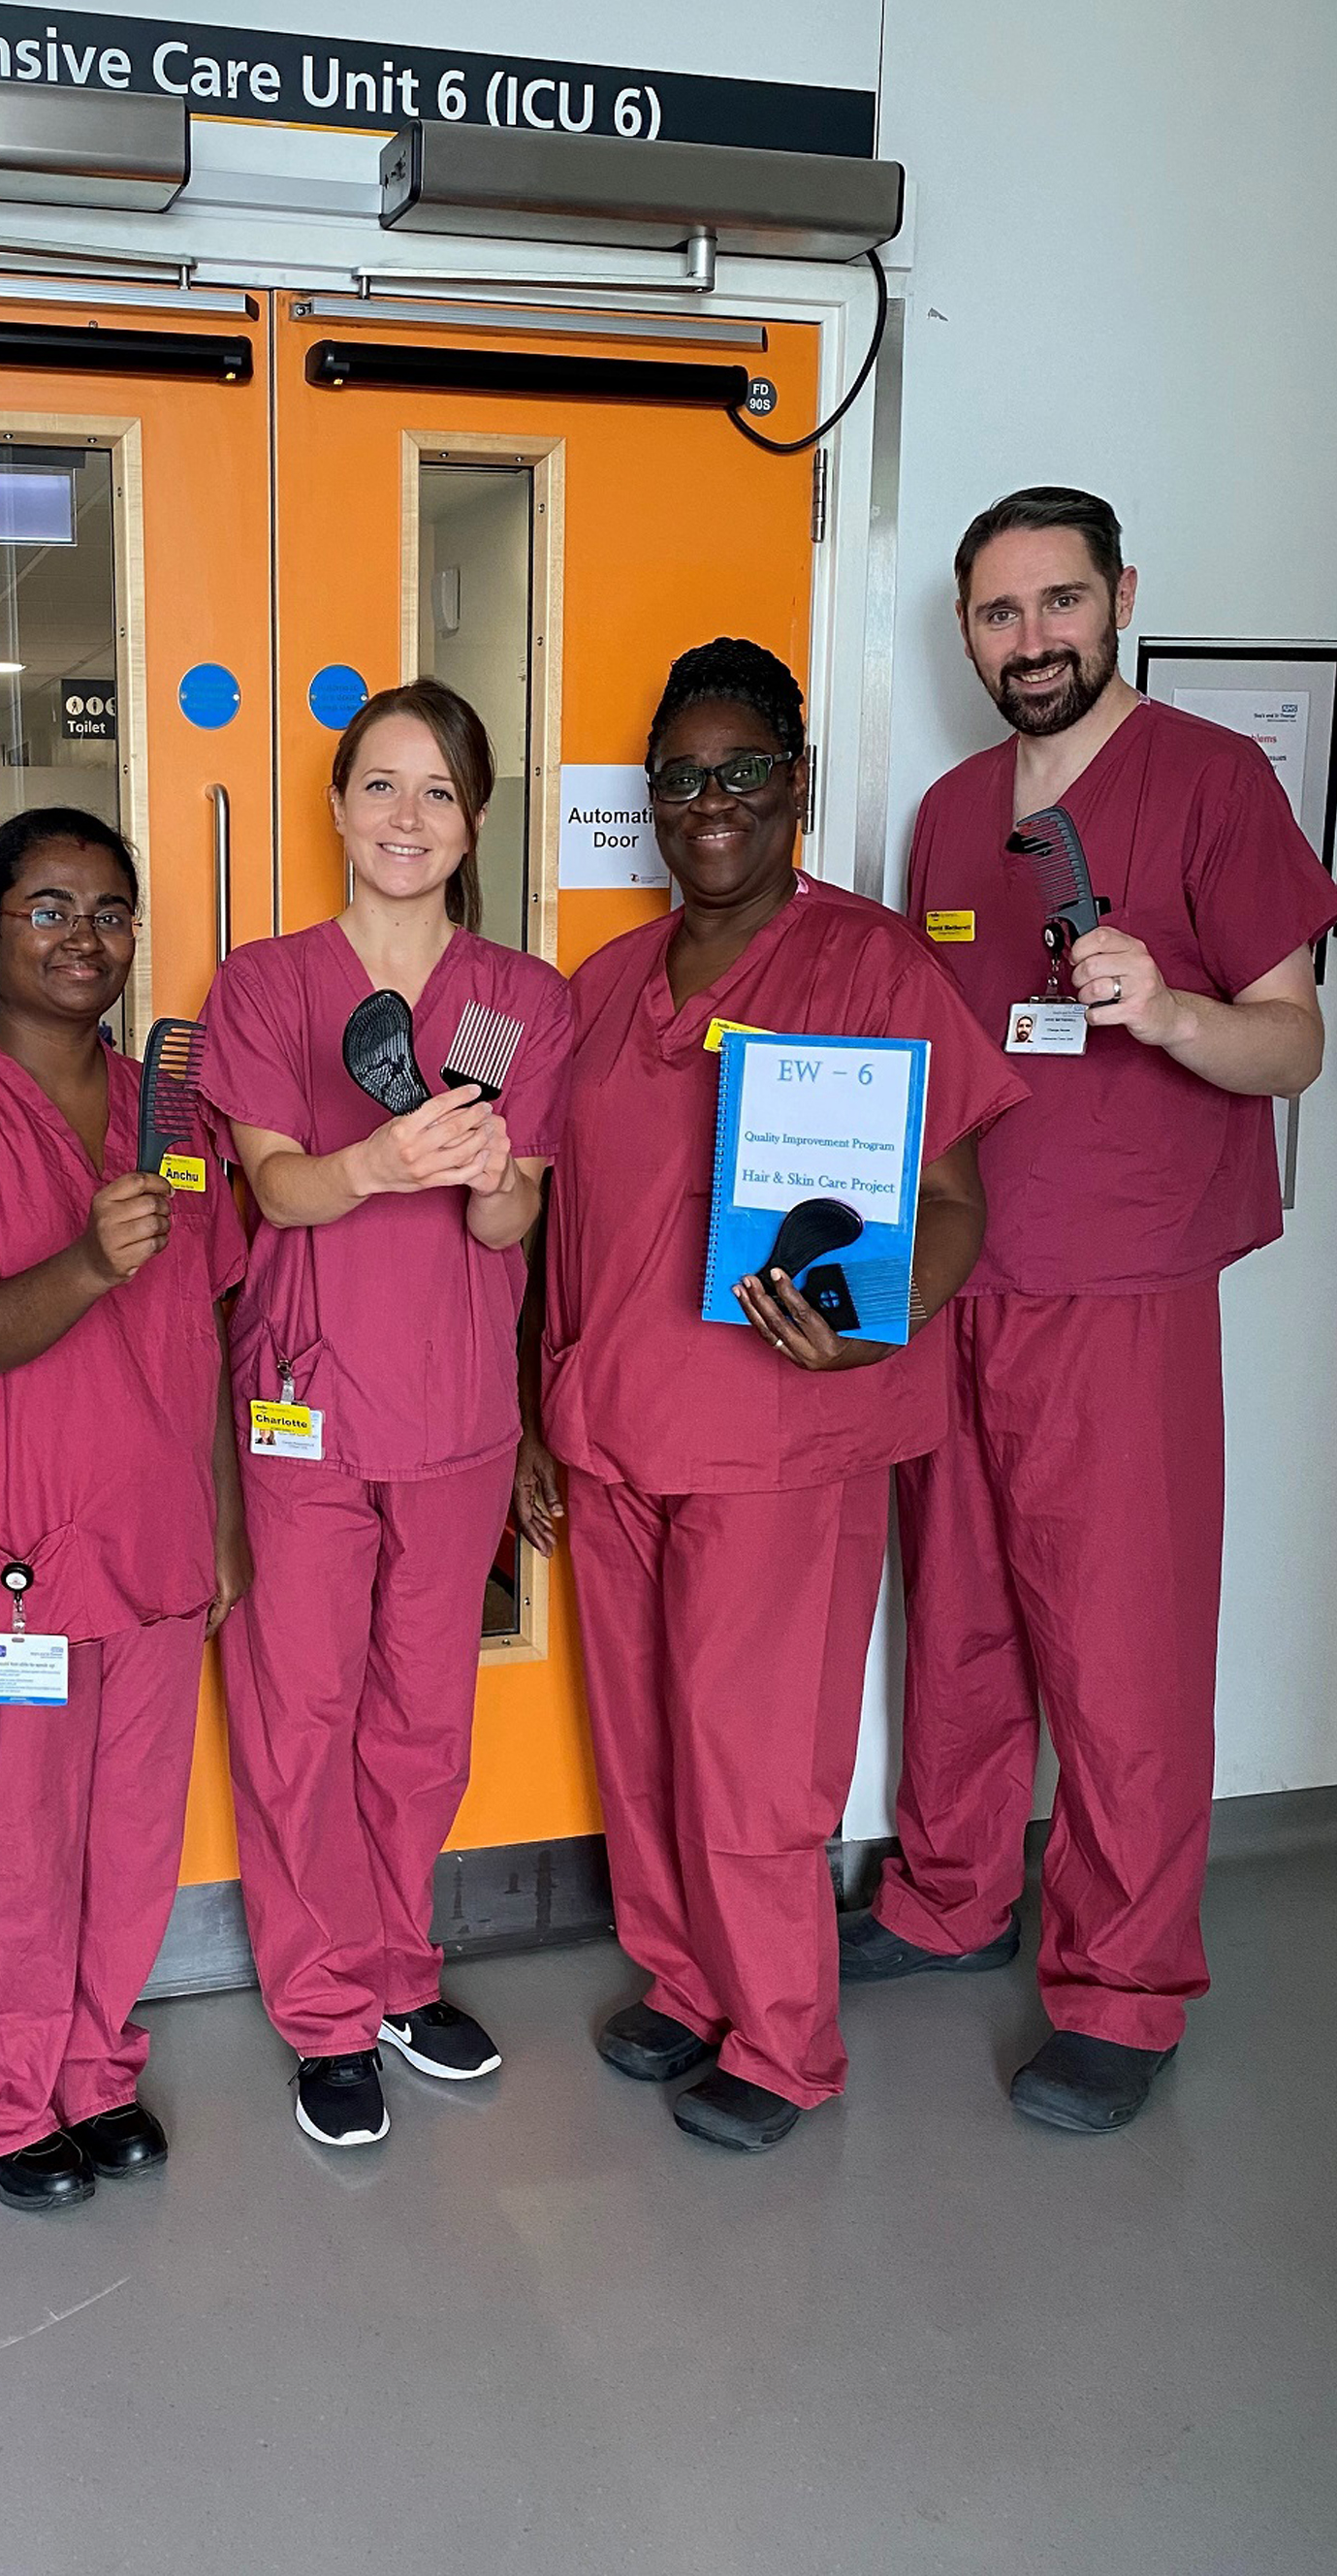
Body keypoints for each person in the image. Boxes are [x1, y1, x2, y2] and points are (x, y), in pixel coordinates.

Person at [839, 489, 1337, 2132]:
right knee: (962, 1614)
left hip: (1120, 1289)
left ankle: (1127, 1985)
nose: (1032, 640)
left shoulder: (1212, 780)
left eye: (1059, 604)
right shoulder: (953, 809)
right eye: (999, 615)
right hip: (958, 1275)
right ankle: (950, 1892)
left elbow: (1295, 1042)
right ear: (969, 634)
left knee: (1121, 1644)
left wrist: (1174, 1007)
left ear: (1120, 595)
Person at [515, 638, 1026, 2153]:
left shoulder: (868, 965)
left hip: (783, 1438)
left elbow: (953, 1199)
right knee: (647, 1744)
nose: (710, 801)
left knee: (752, 1756)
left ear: (792, 785)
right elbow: (561, 1223)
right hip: (614, 1434)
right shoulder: (600, 991)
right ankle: (683, 1981)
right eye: (682, 776)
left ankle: (784, 2040)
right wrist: (545, 1414)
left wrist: (880, 1322)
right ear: (653, 800)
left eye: (741, 771)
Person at [0, 810, 250, 2212]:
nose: (88, 938)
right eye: (51, 909)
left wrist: (224, 1525)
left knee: (130, 1834)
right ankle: (3, 2097)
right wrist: (85, 1262)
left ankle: (93, 2069)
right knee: (9, 1836)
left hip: (149, 1544)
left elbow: (199, 1321)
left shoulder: (170, 1108)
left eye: (113, 911)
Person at [200, 680, 571, 2147]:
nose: (406, 818)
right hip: (305, 1404)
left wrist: (482, 1173)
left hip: (458, 1413)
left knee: (423, 1716)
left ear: (473, 820)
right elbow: (274, 1184)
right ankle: (324, 2008)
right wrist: (378, 1161)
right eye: (379, 786)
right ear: (340, 808)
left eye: (437, 792)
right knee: (300, 1712)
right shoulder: (267, 984)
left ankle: (403, 1968)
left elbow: (511, 1225)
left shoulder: (519, 1000)